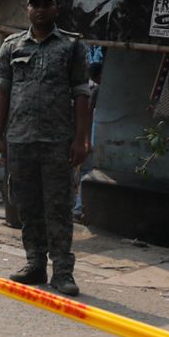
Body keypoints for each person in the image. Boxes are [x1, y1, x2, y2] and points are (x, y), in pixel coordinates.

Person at [0, 0, 92, 297]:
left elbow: (81, 94)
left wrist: (81, 139)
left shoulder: (71, 46)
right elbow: (2, 92)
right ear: (27, 9)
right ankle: (35, 263)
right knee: (27, 205)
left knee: (58, 207)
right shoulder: (11, 46)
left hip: (57, 141)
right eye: (34, 4)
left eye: (45, 5)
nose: (39, 10)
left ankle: (62, 271)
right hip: (20, 139)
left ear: (56, 9)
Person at [72, 59, 101, 223]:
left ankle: (73, 208)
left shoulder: (74, 86)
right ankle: (77, 210)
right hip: (83, 138)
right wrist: (87, 141)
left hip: (71, 136)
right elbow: (88, 115)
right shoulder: (94, 89)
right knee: (85, 173)